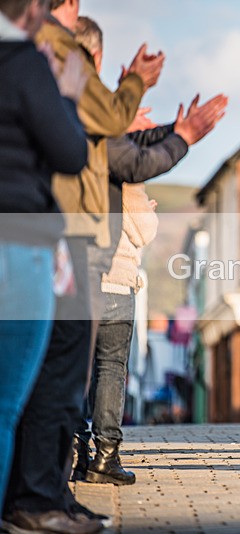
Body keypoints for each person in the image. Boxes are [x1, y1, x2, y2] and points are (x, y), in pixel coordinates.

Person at [4, 0, 164, 527]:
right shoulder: (39, 57)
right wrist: (90, 96)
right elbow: (74, 149)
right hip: (54, 240)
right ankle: (42, 496)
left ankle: (48, 492)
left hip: (46, 237)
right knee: (53, 379)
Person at [70, 15, 227, 486]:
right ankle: (103, 456)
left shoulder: (87, 116)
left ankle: (74, 450)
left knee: (77, 367)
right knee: (109, 368)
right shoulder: (104, 134)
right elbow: (139, 224)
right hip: (113, 275)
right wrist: (182, 137)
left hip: (84, 269)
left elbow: (138, 142)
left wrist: (173, 129)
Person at [0, 0, 88, 530]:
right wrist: (70, 97)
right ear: (33, 9)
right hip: (20, 240)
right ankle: (27, 506)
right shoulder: (23, 62)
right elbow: (69, 152)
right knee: (8, 397)